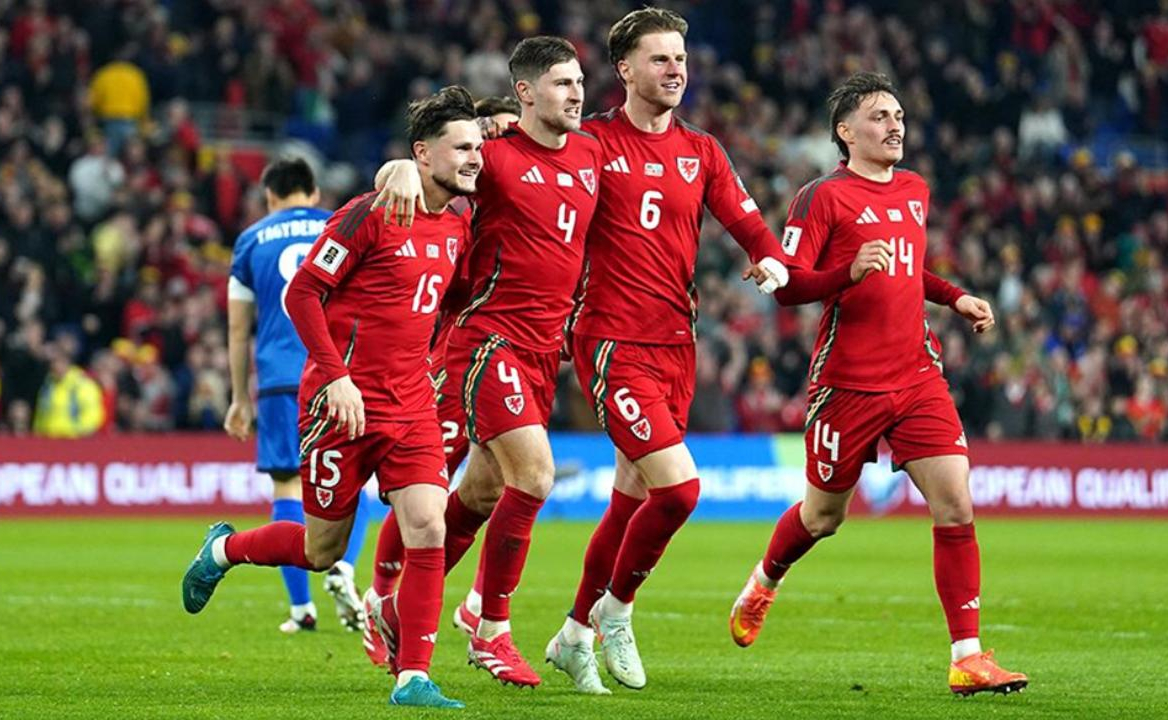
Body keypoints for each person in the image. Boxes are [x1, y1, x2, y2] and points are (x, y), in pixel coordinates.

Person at [727, 71, 1028, 697]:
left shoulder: (915, 189)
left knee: (956, 502)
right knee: (823, 516)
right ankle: (764, 581)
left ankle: (967, 657)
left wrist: (955, 297)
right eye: (880, 117)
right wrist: (848, 271)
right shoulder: (821, 197)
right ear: (846, 132)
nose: (895, 126)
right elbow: (788, 286)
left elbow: (909, 270)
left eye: (899, 116)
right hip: (848, 385)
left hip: (917, 375)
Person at [182, 85, 482, 709]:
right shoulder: (370, 213)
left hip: (411, 406)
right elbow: (303, 294)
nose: (474, 158)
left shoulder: (459, 223)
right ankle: (224, 549)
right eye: (461, 148)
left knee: (428, 525)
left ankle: (413, 677)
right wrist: (336, 374)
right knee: (322, 551)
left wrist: (433, 362)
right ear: (423, 154)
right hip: (338, 404)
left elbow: (448, 302)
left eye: (477, 147)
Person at [545, 7, 792, 694]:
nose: (676, 68)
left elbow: (745, 218)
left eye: (680, 57)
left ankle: (573, 635)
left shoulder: (701, 150)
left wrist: (769, 256)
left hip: (676, 344)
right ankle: (616, 611)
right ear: (625, 69)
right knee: (680, 489)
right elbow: (531, 153)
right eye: (660, 58)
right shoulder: (592, 141)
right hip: (610, 339)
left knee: (631, 496)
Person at [366, 36, 605, 688]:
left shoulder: (590, 153)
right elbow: (430, 168)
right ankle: (488, 624)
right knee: (536, 475)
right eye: (561, 83)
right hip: (488, 338)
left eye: (579, 82)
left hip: (544, 350)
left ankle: (394, 604)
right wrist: (397, 168)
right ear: (525, 92)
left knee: (480, 491)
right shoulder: (494, 155)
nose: (576, 94)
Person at [225, 157, 372, 634]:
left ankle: (301, 608)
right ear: (313, 193)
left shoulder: (251, 240)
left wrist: (239, 397)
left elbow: (238, 328)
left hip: (278, 379)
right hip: (339, 372)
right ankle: (344, 567)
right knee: (354, 478)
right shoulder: (340, 224)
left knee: (287, 485)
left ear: (270, 197)